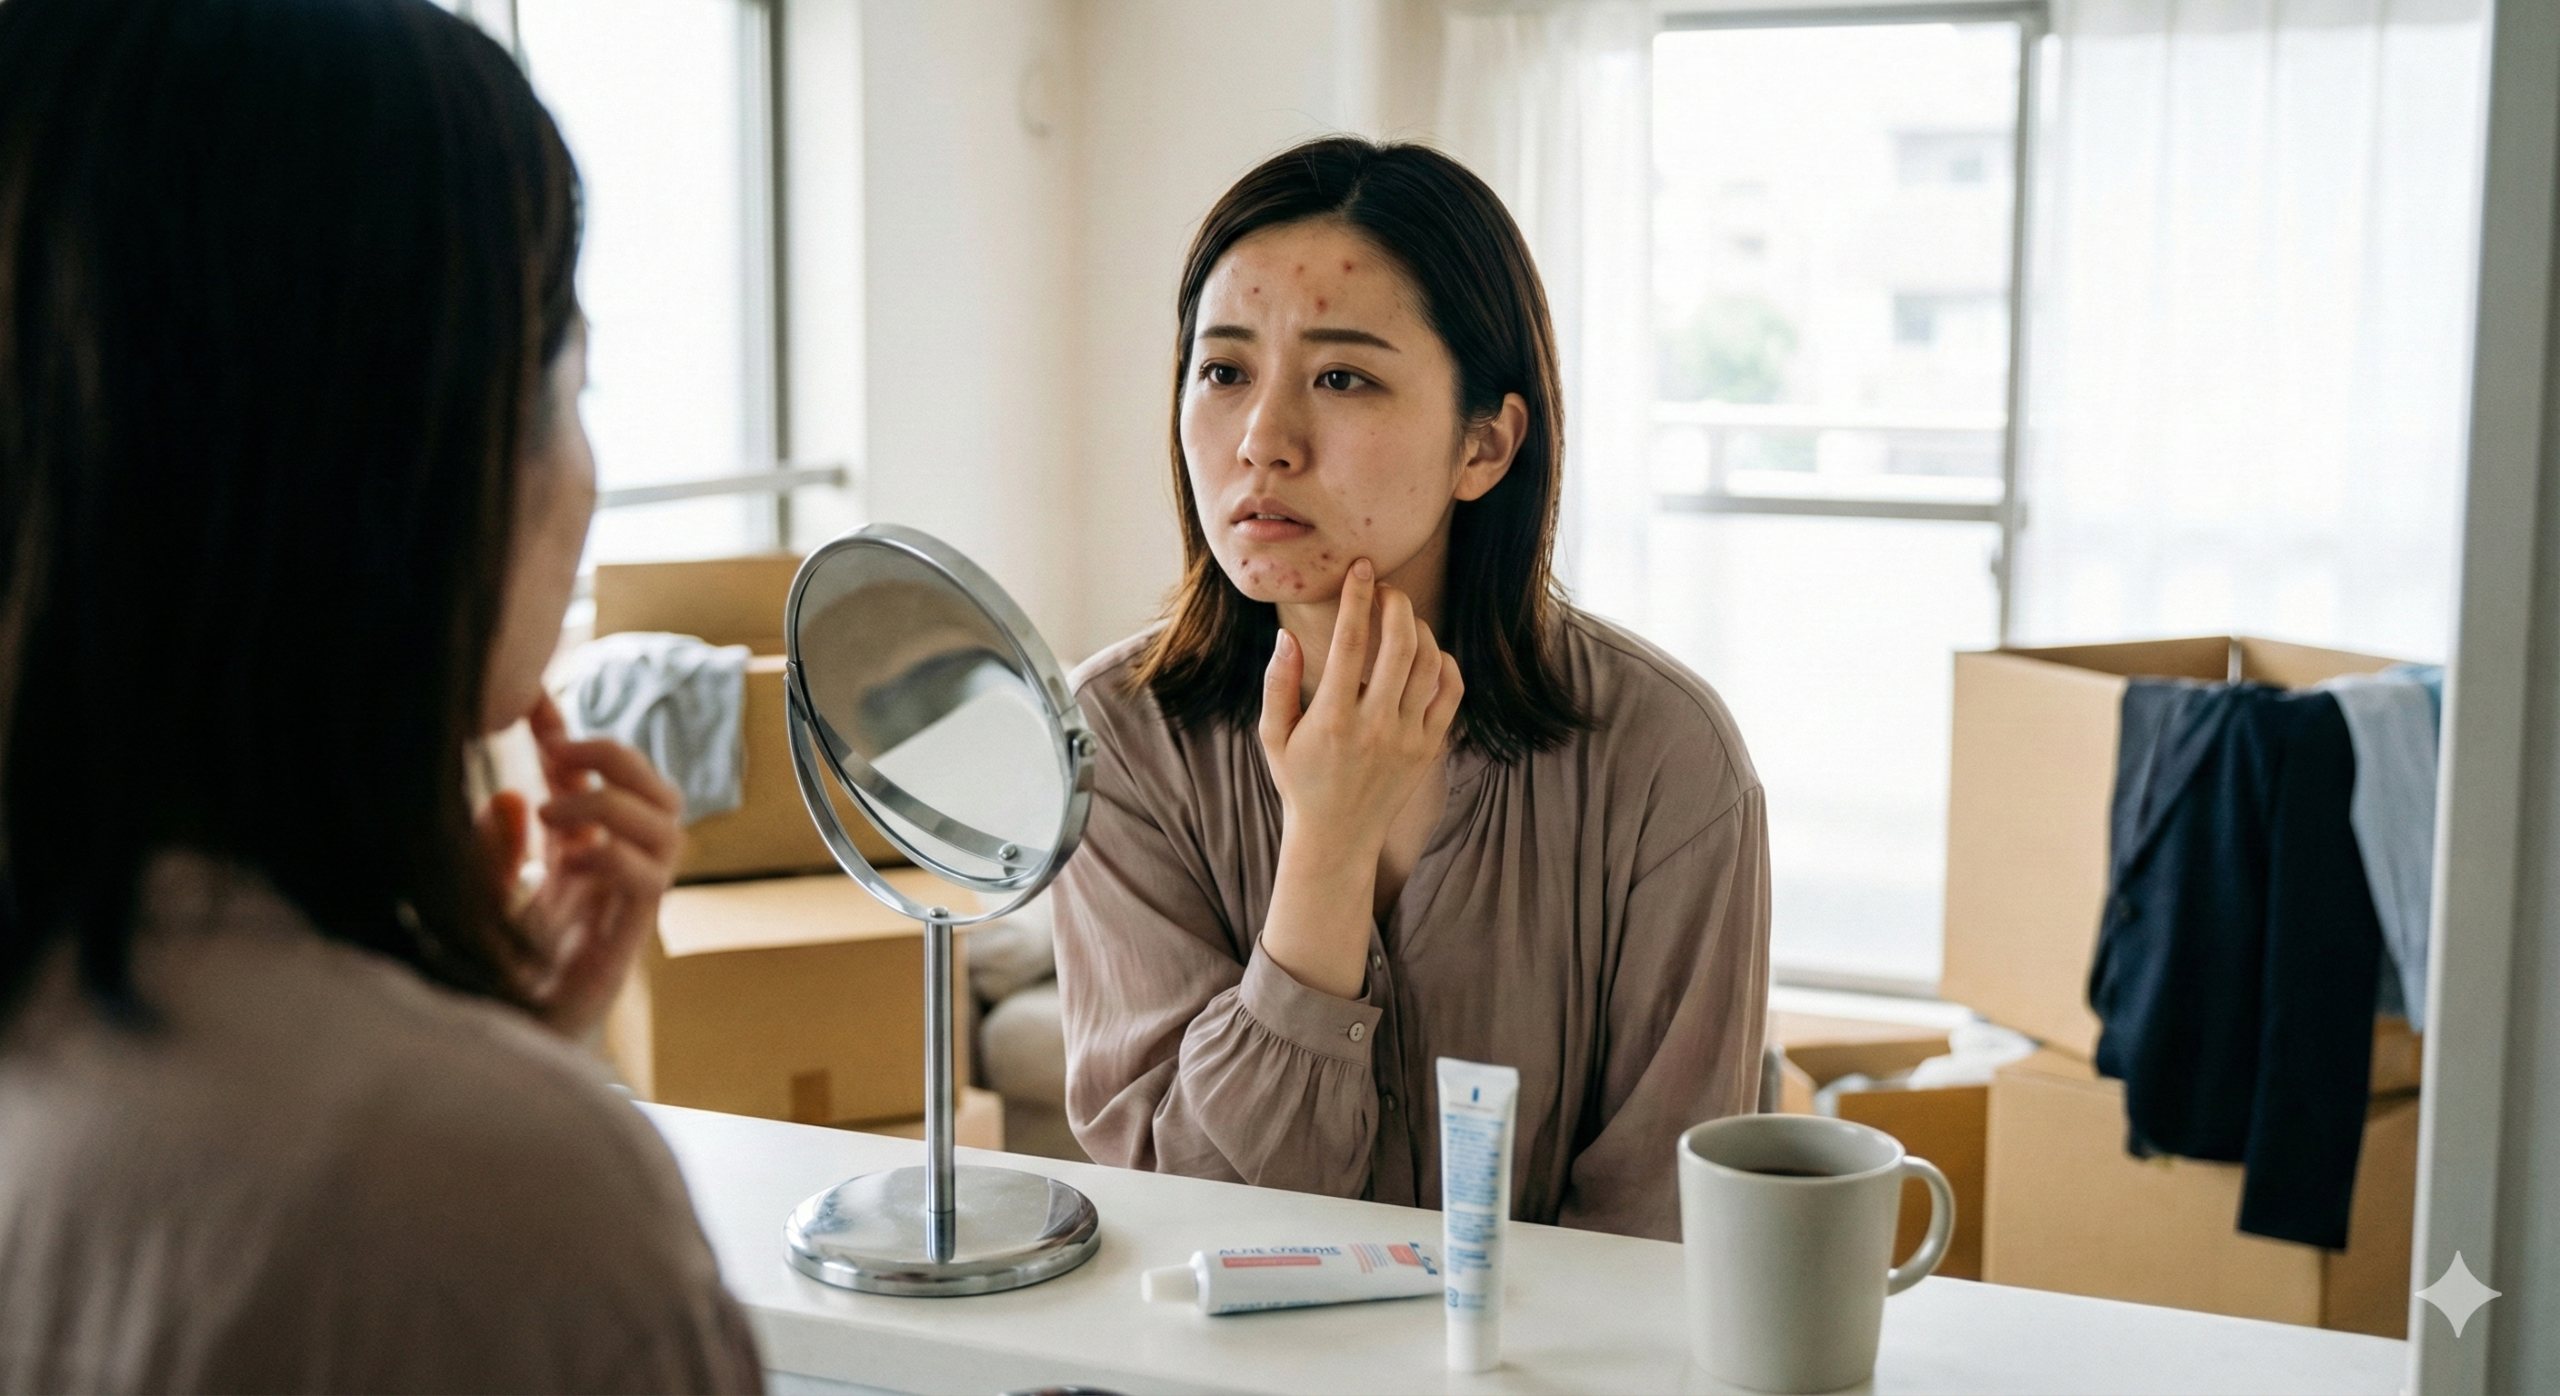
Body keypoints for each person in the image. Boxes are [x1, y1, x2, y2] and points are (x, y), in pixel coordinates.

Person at [0, 1, 760, 1389]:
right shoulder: (503, 1194)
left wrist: (488, 1038)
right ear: (416, 461)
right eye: (571, 381)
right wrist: (486, 1103)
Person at [1053, 136, 1770, 1241]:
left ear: (1484, 443)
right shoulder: (1112, 737)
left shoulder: (1665, 757)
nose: (1261, 442)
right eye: (1223, 370)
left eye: (1341, 376)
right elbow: (1190, 1207)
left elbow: (1659, 1232)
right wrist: (1326, 847)